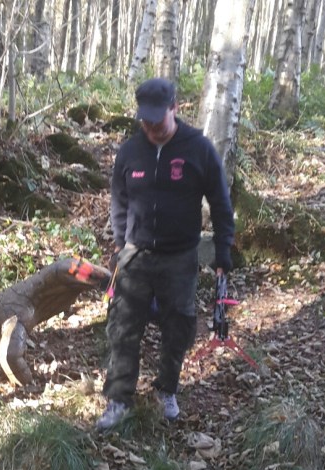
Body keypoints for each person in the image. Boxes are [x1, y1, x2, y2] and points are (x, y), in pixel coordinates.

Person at [96, 77, 235, 431]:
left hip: (180, 257)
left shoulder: (198, 149)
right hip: (136, 254)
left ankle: (166, 390)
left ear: (175, 108)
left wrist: (222, 255)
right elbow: (119, 200)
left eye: (158, 120)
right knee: (123, 326)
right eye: (145, 120)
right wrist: (120, 243)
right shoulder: (130, 151)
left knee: (179, 327)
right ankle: (119, 399)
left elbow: (221, 204)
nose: (152, 127)